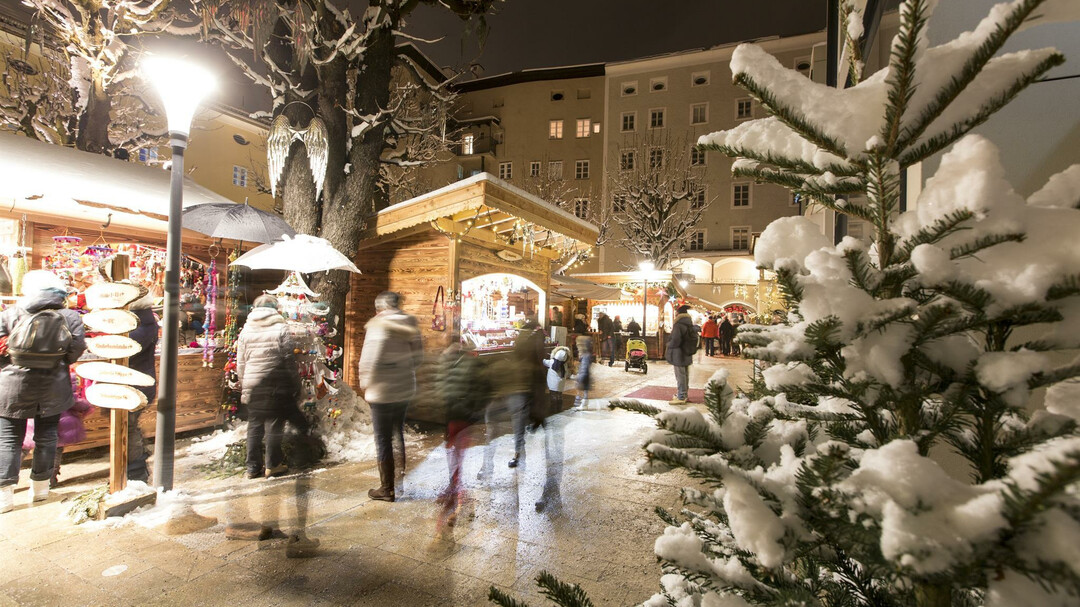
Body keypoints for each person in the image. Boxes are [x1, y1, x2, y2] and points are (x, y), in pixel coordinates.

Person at [0, 270, 86, 513]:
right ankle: (40, 490)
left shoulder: (10, 313)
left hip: (12, 387)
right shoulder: (70, 316)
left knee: (8, 439)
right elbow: (76, 349)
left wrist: (10, 365)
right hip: (54, 386)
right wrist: (57, 361)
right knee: (47, 437)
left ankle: (4, 497)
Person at [357, 291, 423, 501]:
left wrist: (365, 383)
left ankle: (387, 488)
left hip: (382, 390)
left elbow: (370, 358)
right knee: (397, 433)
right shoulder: (410, 322)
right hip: (404, 388)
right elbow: (418, 357)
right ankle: (400, 479)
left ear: (381, 307)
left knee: (383, 438)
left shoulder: (378, 325)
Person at [236, 294, 307, 480]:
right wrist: (295, 383)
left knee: (254, 424)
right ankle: (272, 465)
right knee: (274, 424)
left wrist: (244, 383)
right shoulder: (281, 328)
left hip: (253, 384)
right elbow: (288, 359)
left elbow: (241, 362)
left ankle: (252, 467)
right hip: (274, 383)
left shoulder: (246, 330)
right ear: (275, 308)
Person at [435, 341, 490, 528]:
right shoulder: (473, 365)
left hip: (456, 415)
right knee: (456, 453)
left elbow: (445, 388)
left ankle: (456, 494)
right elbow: (484, 391)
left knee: (454, 454)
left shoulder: (456, 364)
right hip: (463, 416)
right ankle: (454, 488)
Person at [126, 288, 158, 483]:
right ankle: (136, 466)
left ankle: (136, 471)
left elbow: (128, 349)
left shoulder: (141, 323)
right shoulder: (143, 320)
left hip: (136, 382)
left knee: (128, 427)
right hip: (136, 381)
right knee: (129, 426)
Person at [665, 304, 695, 405]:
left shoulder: (678, 325)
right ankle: (684, 394)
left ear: (678, 314)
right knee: (685, 375)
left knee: (680, 375)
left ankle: (681, 396)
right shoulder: (689, 323)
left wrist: (669, 344)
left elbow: (676, 340)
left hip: (679, 354)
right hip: (687, 352)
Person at [573, 336, 593, 409]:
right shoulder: (587, 355)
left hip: (584, 376)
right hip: (586, 375)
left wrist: (579, 377)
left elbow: (584, 368)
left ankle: (581, 404)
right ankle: (584, 404)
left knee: (580, 391)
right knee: (585, 391)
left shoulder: (585, 356)